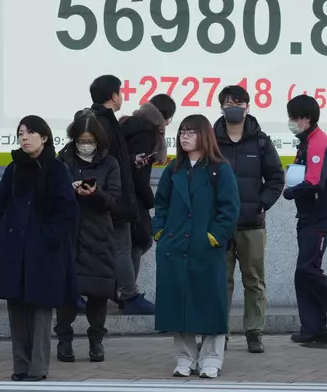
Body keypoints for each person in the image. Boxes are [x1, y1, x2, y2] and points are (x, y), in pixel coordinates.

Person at [0, 115, 78, 382]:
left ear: (44, 137)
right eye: (21, 133)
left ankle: (38, 368)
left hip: (44, 251)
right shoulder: (14, 168)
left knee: (40, 311)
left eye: (30, 132)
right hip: (13, 249)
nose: (24, 137)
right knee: (17, 310)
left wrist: (48, 237)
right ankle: (20, 367)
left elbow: (67, 211)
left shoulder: (56, 169)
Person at [153, 114, 240, 379]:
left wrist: (213, 237)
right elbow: (161, 205)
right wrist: (159, 232)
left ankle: (212, 358)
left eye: (191, 132)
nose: (185, 137)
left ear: (204, 135)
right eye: (182, 132)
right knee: (177, 304)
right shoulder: (173, 169)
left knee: (210, 303)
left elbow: (230, 209)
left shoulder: (220, 169)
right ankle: (185, 357)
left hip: (205, 248)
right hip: (174, 248)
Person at [213, 85, 284, 353]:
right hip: (220, 224)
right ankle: (220, 330)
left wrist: (261, 204)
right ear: (221, 106)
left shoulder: (261, 141)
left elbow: (276, 178)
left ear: (247, 106)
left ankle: (254, 331)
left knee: (253, 279)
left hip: (252, 224)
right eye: (229, 102)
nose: (234, 106)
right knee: (221, 280)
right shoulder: (211, 140)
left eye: (239, 102)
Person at [283, 95, 327, 344]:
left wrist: (292, 191)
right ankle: (313, 328)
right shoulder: (306, 141)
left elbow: (315, 181)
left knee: (308, 268)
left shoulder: (317, 142)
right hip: (308, 215)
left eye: (294, 117)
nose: (291, 122)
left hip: (320, 215)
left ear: (306, 118)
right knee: (302, 272)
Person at [55, 110, 121, 363]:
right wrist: (70, 190)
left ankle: (96, 342)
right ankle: (64, 341)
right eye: (81, 140)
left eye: (89, 140)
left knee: (98, 291)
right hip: (69, 233)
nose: (85, 145)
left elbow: (113, 199)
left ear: (98, 140)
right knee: (66, 292)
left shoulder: (110, 163)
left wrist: (95, 193)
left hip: (99, 234)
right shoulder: (64, 160)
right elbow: (53, 194)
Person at [89, 75, 154, 314]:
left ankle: (120, 293)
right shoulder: (103, 122)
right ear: (114, 95)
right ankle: (129, 295)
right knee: (122, 247)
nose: (122, 96)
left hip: (108, 194)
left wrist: (130, 160)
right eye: (120, 92)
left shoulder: (100, 120)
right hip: (112, 196)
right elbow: (103, 161)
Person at [120, 94, 176, 280]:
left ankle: (121, 290)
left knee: (127, 244)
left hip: (117, 192)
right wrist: (152, 201)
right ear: (166, 119)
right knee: (140, 240)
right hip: (132, 196)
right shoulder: (148, 134)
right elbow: (139, 175)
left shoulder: (129, 123)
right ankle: (127, 293)